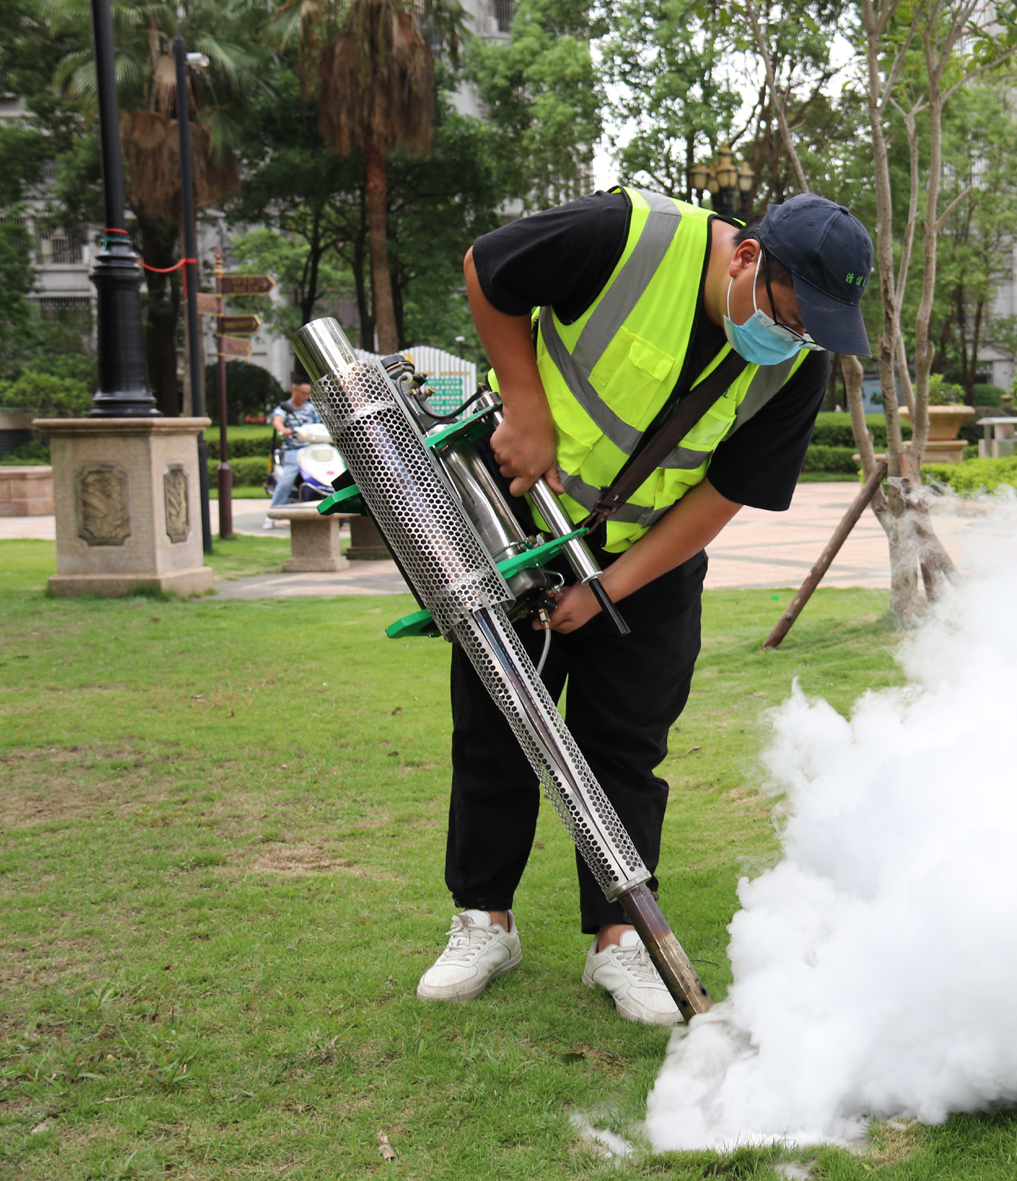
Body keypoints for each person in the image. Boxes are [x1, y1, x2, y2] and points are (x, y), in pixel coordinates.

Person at [414, 188, 874, 1024]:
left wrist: (608, 588)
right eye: (790, 316)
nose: (794, 339)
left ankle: (618, 938)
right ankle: (484, 920)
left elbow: (727, 492)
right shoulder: (625, 234)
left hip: (651, 554)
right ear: (746, 259)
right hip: (520, 509)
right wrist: (526, 404)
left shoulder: (795, 363)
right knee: (497, 723)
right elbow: (490, 267)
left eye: (812, 329)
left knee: (625, 742)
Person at [265, 374, 321, 525]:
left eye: (308, 393)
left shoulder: (311, 408)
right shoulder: (284, 408)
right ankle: (272, 515)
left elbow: (321, 424)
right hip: (294, 452)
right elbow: (277, 422)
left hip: (312, 451)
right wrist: (284, 430)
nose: (306, 396)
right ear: (294, 390)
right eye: (303, 393)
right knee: (285, 483)